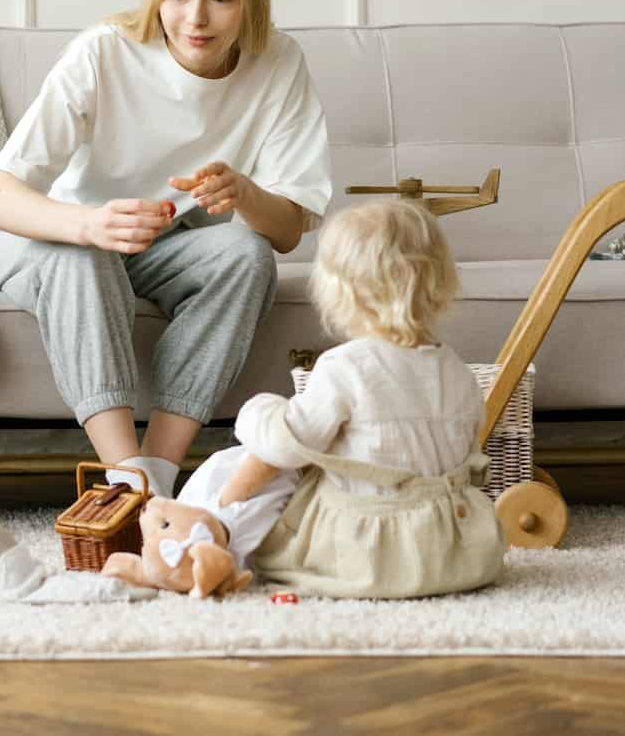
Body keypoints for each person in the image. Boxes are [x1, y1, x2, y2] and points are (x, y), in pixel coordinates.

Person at [0, 0, 332, 500]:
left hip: (157, 248)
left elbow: (288, 230)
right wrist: (88, 224)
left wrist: (245, 192)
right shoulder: (104, 51)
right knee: (82, 256)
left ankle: (160, 474)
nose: (196, 18)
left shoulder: (279, 62)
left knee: (247, 252)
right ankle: (125, 479)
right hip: (49, 237)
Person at [182, 198, 504, 598]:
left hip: (369, 556)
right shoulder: (458, 370)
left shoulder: (346, 367)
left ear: (340, 291)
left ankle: (205, 532)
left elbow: (279, 450)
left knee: (241, 461)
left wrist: (255, 420)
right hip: (454, 550)